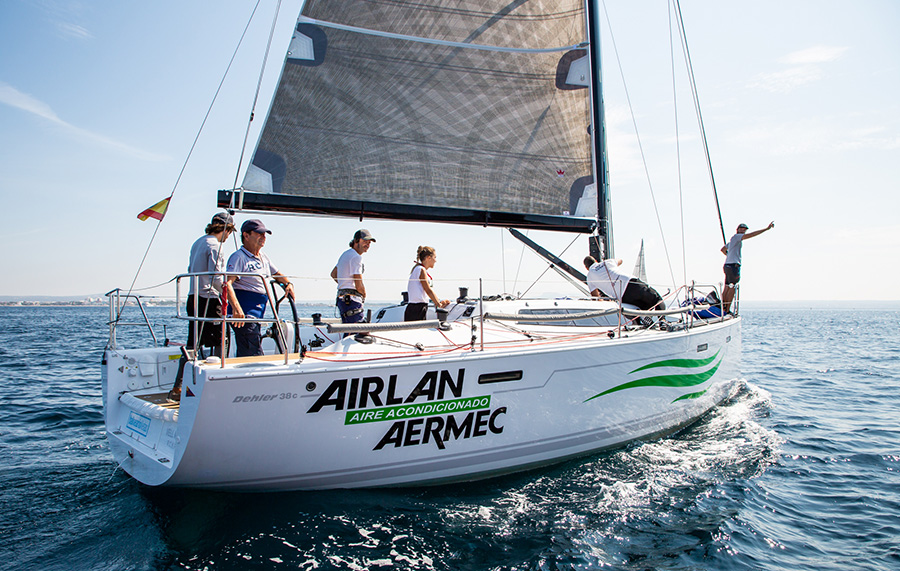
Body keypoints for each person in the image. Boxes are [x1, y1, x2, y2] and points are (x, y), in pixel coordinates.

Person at [169, 212, 236, 402]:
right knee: (220, 341)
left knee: (193, 344)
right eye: (229, 232)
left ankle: (178, 387)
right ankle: (215, 389)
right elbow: (217, 277)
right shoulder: (215, 246)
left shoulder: (198, 242)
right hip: (209, 299)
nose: (228, 237)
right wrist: (228, 300)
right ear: (226, 229)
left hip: (193, 297)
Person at [225, 219, 294, 357]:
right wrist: (237, 309)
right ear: (246, 235)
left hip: (257, 311)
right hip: (244, 312)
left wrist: (288, 284)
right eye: (259, 234)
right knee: (251, 350)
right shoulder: (238, 257)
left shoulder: (264, 257)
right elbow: (227, 284)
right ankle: (251, 375)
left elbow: (277, 274)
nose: (263, 237)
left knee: (250, 345)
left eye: (265, 234)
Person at [720, 221, 774, 313]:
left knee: (727, 286)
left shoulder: (732, 241)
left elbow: (723, 249)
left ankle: (722, 307)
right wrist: (766, 229)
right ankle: (727, 309)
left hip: (727, 265)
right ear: (737, 230)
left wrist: (729, 255)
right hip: (734, 266)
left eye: (744, 230)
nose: (743, 231)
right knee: (732, 287)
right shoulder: (737, 237)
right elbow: (751, 235)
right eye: (741, 229)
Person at [583, 256, 666, 311]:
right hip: (631, 283)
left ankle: (645, 322)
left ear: (586, 268)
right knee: (656, 299)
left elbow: (596, 298)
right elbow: (620, 260)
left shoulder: (589, 276)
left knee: (642, 307)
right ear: (596, 260)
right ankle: (662, 321)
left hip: (623, 296)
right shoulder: (608, 262)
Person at [331, 229, 375, 325]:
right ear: (356, 241)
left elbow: (333, 274)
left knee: (348, 331)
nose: (367, 245)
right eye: (365, 241)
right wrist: (363, 294)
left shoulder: (345, 254)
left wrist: (344, 284)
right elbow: (358, 284)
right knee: (355, 332)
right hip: (352, 301)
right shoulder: (356, 257)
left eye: (369, 243)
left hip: (342, 299)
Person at [405, 246, 450, 321]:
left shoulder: (417, 269)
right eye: (435, 257)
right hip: (418, 309)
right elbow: (428, 289)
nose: (435, 261)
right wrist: (439, 304)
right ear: (429, 258)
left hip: (413, 308)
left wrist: (437, 302)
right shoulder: (421, 270)